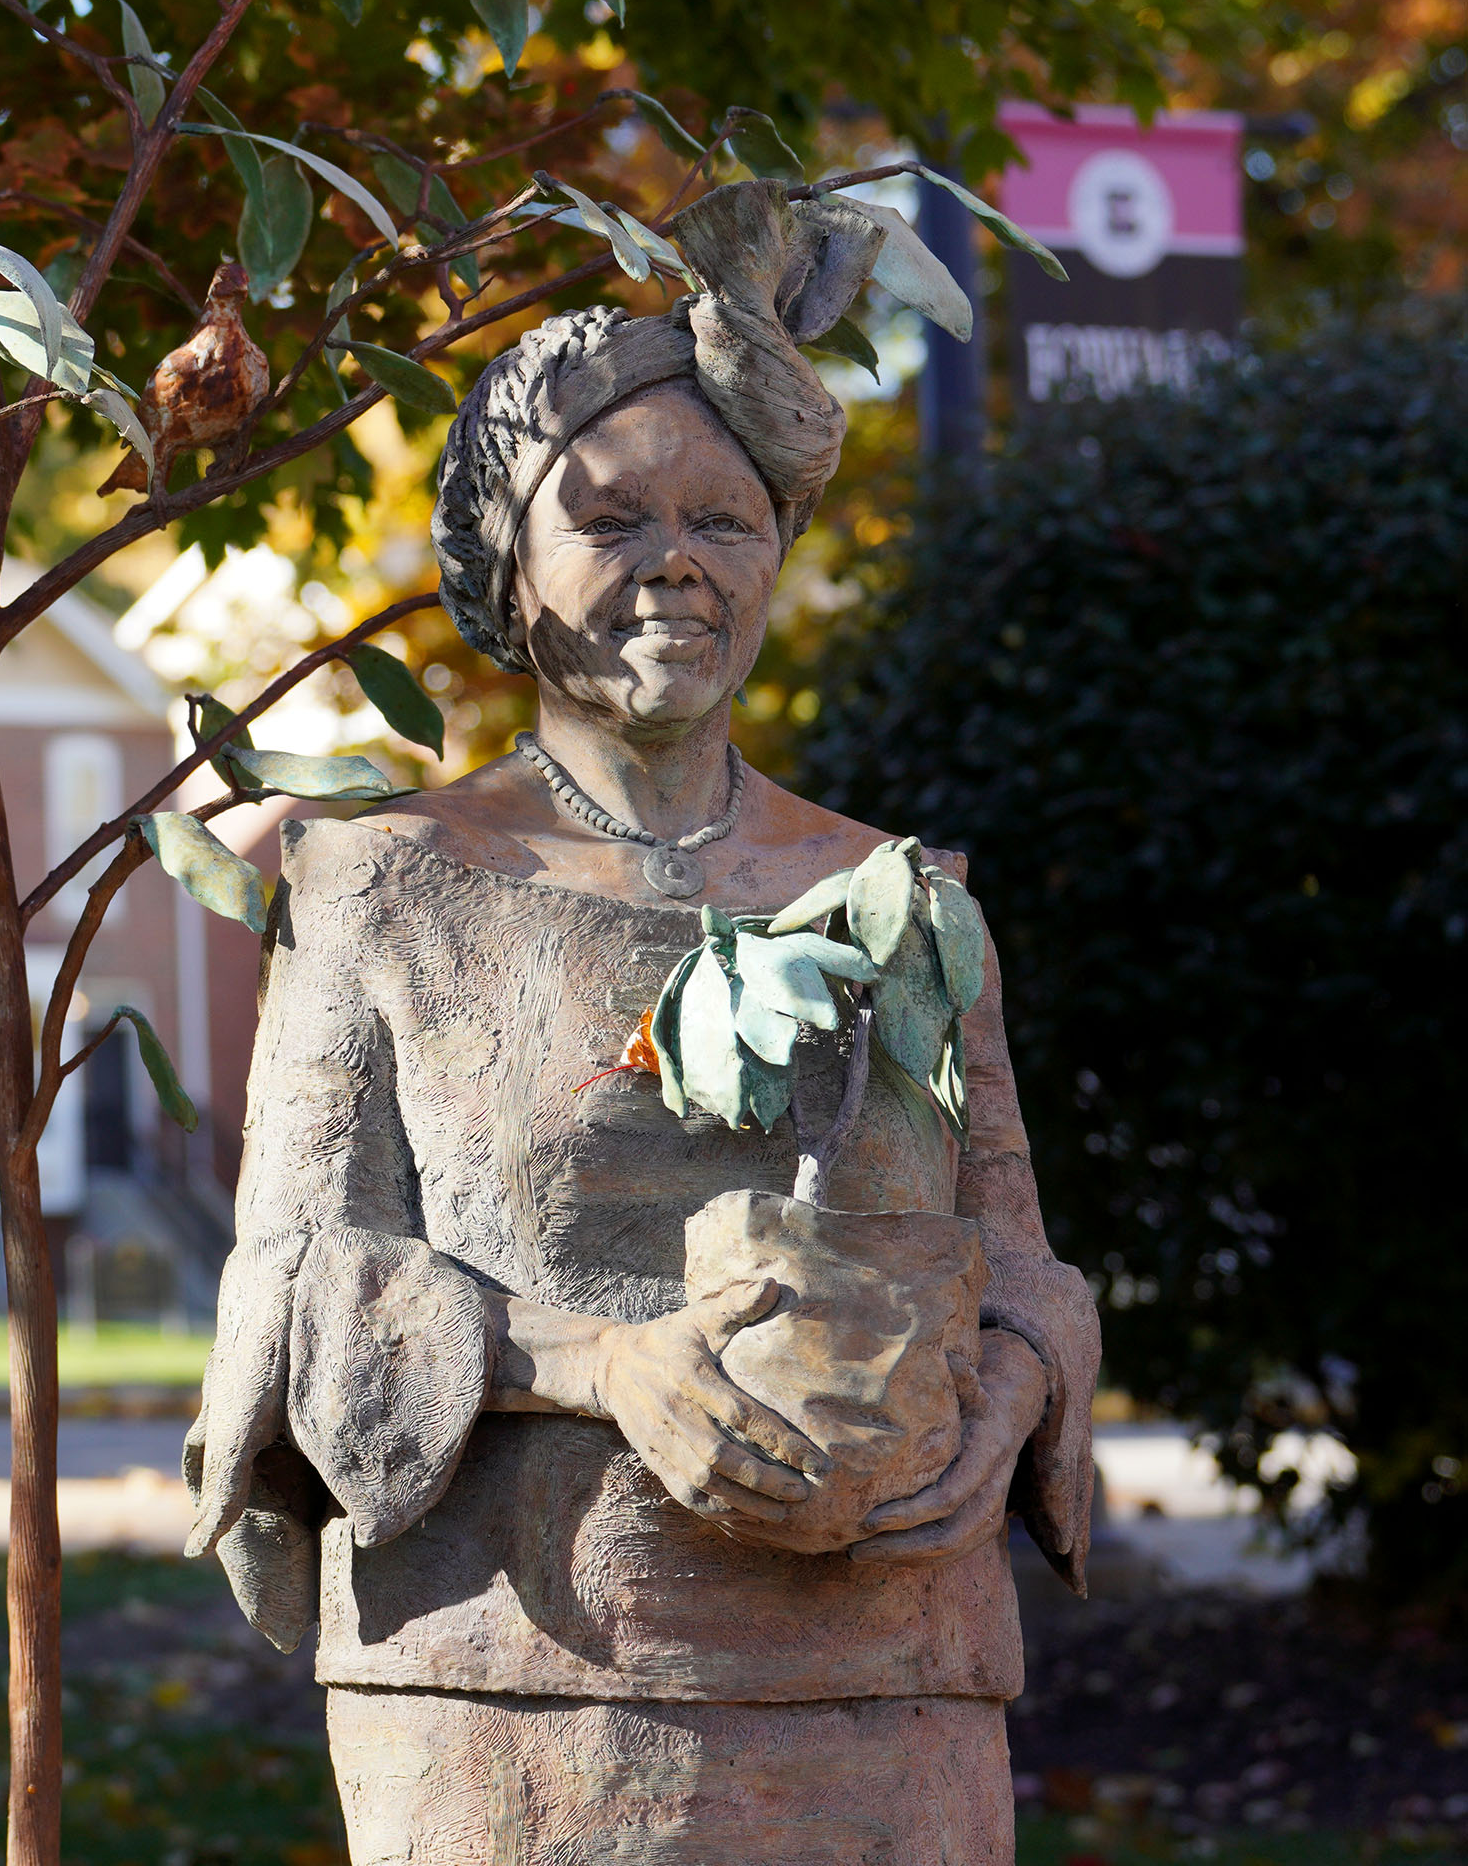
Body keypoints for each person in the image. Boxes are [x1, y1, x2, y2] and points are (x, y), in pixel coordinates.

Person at [183, 183, 1098, 1864]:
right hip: (509, 1677)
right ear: (500, 562)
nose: (673, 559)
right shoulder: (381, 883)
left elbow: (1014, 1259)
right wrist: (608, 1370)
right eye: (606, 517)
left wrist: (1007, 1399)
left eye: (722, 518)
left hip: (885, 1673)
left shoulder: (900, 892)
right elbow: (296, 1285)